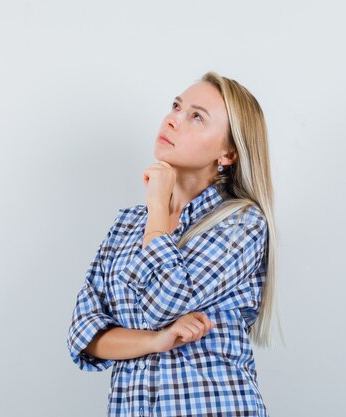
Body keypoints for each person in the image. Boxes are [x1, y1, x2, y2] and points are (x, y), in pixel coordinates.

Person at [66, 71, 281, 417]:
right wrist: (156, 340)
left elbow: (163, 304)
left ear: (228, 153)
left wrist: (157, 208)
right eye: (176, 106)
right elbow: (85, 334)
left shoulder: (242, 222)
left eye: (196, 116)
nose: (172, 119)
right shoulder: (126, 225)